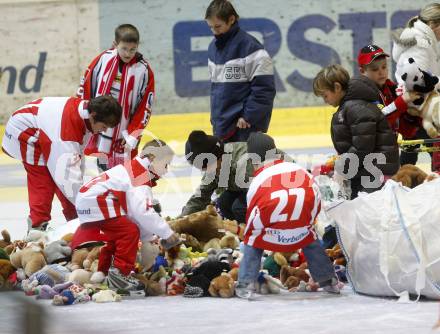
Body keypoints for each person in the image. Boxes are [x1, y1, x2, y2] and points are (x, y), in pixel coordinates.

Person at [235, 132, 340, 299]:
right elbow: (316, 197)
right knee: (310, 238)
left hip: (273, 232)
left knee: (252, 239)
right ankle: (329, 281)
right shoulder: (296, 168)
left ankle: (245, 283)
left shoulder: (258, 179)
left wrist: (259, 233)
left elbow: (254, 214)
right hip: (301, 230)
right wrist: (307, 224)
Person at [1, 96, 122, 231]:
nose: (104, 131)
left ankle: (76, 220)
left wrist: (82, 201)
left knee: (67, 183)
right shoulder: (66, 131)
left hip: (43, 126)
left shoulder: (85, 117)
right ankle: (37, 227)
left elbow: (77, 158)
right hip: (26, 132)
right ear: (93, 115)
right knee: (44, 179)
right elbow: (66, 176)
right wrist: (86, 206)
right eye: (104, 126)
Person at [74, 139, 180, 291]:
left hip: (88, 200)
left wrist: (148, 237)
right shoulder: (139, 176)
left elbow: (134, 214)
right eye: (165, 164)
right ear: (151, 158)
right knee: (129, 232)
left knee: (118, 234)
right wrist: (167, 233)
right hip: (96, 201)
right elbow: (143, 212)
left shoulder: (131, 169)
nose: (167, 170)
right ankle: (120, 275)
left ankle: (103, 271)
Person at [313, 64, 399, 199]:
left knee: (369, 213)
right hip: (367, 169)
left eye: (325, 96)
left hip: (375, 172)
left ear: (337, 87)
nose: (325, 101)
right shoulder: (351, 106)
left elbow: (362, 147)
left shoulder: (356, 107)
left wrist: (342, 167)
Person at [77, 23, 155, 170]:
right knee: (103, 167)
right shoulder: (102, 60)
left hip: (125, 133)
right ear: (115, 44)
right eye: (124, 48)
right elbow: (85, 87)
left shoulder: (143, 70)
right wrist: (83, 118)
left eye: (133, 49)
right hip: (100, 127)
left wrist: (134, 133)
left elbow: (145, 106)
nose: (128, 53)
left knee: (125, 172)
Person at [182, 130, 291, 224]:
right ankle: (240, 233)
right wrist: (181, 220)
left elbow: (265, 194)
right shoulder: (214, 166)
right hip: (248, 186)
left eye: (208, 167)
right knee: (224, 203)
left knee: (239, 207)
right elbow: (201, 196)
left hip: (282, 183)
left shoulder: (245, 163)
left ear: (219, 157)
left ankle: (256, 236)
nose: (207, 171)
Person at [205, 0, 276, 142]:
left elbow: (264, 89)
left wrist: (249, 116)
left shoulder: (252, 48)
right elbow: (217, 90)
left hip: (245, 127)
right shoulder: (213, 48)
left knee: (245, 164)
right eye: (211, 27)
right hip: (221, 125)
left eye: (218, 26)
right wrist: (215, 119)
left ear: (231, 19)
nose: (214, 31)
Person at [357, 44, 425, 167]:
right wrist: (402, 102)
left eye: (384, 67)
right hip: (367, 161)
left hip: (387, 156)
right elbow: (379, 121)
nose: (381, 72)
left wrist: (414, 117)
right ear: (362, 71)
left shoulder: (390, 89)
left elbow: (405, 129)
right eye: (374, 69)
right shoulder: (361, 93)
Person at [392, 3, 440, 170]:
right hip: (419, 108)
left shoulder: (423, 40)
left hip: (415, 108)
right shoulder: (420, 43)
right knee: (431, 149)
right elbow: (416, 80)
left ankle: (399, 184)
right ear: (434, 24)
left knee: (410, 153)